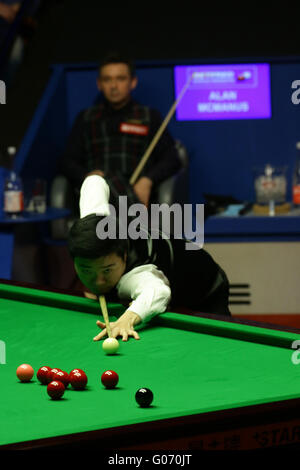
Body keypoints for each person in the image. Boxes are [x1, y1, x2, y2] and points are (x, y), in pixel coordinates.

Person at [67, 174, 231, 344]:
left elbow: (158, 292)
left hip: (205, 287)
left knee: (219, 345)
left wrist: (128, 319)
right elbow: (94, 182)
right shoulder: (93, 223)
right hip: (170, 271)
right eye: (86, 270)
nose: (99, 281)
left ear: (124, 256)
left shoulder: (138, 273)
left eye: (107, 270)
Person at [60, 51, 182, 210]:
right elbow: (67, 161)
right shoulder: (86, 118)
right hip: (99, 196)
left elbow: (172, 158)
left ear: (133, 82)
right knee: (102, 183)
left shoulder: (149, 116)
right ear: (99, 84)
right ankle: (135, 226)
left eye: (121, 79)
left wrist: (147, 180)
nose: (113, 86)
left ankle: (122, 223)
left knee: (110, 183)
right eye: (107, 79)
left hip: (135, 191)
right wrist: (88, 177)